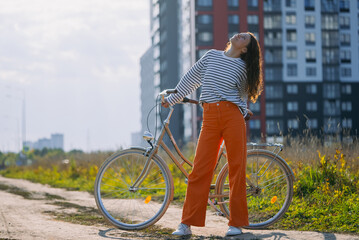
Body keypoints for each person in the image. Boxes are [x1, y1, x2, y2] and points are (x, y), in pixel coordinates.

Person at [161, 32, 263, 237]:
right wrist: (172, 99)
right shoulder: (211, 56)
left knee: (236, 168)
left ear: (244, 50)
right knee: (199, 170)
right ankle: (186, 223)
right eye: (242, 34)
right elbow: (190, 80)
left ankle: (236, 223)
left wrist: (243, 110)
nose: (241, 35)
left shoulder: (243, 68)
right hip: (209, 117)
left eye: (245, 39)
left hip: (232, 117)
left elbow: (241, 97)